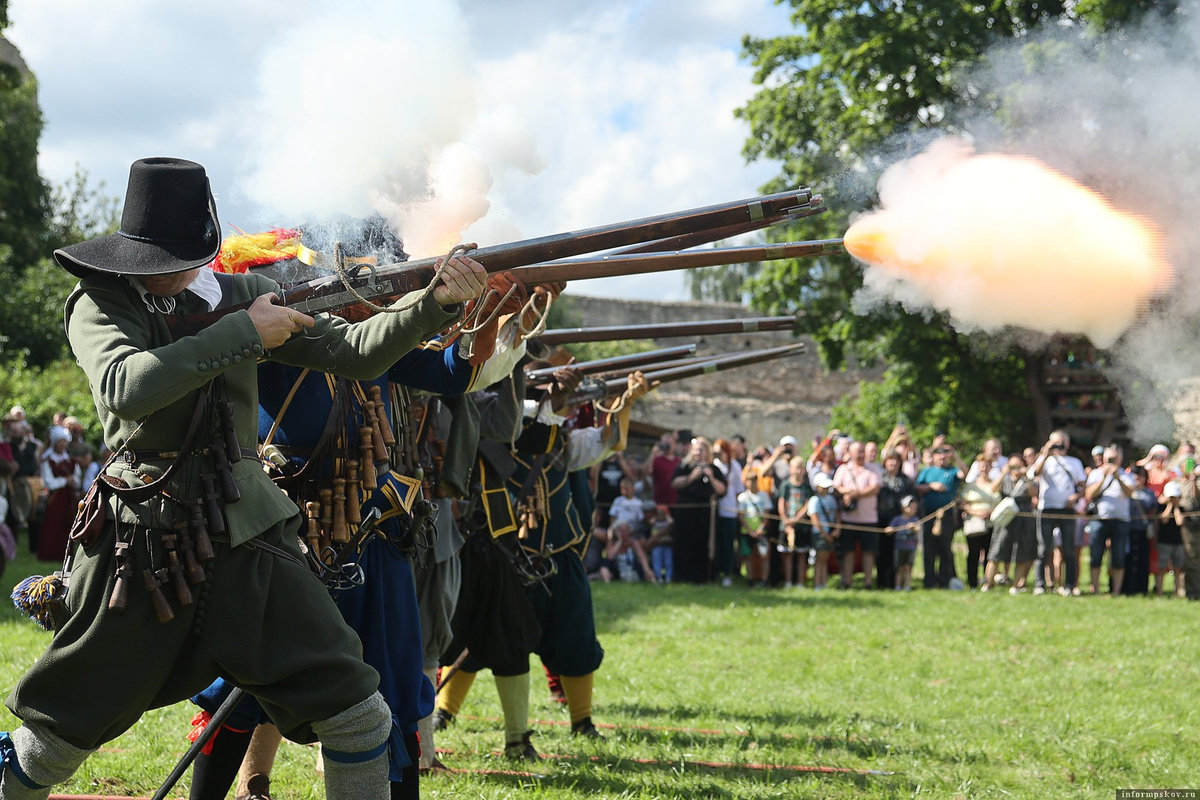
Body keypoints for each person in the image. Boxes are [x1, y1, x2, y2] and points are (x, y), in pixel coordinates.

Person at [0, 157, 486, 800]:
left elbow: (356, 351)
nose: (171, 272)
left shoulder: (231, 296)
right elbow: (125, 388)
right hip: (145, 547)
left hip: (248, 532)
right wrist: (243, 332)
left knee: (357, 711)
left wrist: (432, 306)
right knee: (59, 737)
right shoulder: (101, 302)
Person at [1027, 430, 1087, 596]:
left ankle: (1069, 586)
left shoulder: (1074, 462)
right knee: (1044, 548)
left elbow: (1083, 486)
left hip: (1067, 510)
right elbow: (1033, 474)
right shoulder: (1044, 460)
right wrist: (1045, 453)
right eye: (1055, 442)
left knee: (1069, 549)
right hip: (1046, 509)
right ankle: (1040, 584)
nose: (1058, 446)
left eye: (1061, 443)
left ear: (1067, 444)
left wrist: (1075, 497)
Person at [670, 437, 726, 583]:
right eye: (695, 450)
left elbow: (722, 490)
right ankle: (682, 576)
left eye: (701, 450)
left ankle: (703, 576)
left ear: (707, 452)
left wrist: (711, 477)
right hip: (686, 512)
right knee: (684, 542)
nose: (697, 453)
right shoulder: (684, 466)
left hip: (706, 512)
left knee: (704, 544)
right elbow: (675, 484)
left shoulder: (714, 469)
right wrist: (691, 477)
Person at [1085, 444, 1135, 595]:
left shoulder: (1126, 475)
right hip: (1099, 519)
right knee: (1096, 555)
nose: (1112, 461)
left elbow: (1129, 493)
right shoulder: (1095, 473)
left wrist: (1117, 477)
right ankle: (1096, 589)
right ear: (1104, 458)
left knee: (1119, 556)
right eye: (1109, 458)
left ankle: (1116, 591)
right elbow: (1089, 494)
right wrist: (1105, 477)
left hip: (1121, 520)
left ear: (1120, 458)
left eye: (1115, 457)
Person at [916, 444, 966, 589]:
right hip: (929, 515)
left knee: (945, 549)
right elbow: (917, 487)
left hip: (947, 516)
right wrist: (932, 486)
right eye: (939, 454)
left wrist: (956, 456)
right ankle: (929, 581)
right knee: (929, 550)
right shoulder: (927, 471)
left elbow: (966, 474)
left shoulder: (953, 471)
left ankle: (944, 580)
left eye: (945, 454)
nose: (942, 457)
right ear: (934, 456)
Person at [985, 455, 1037, 593]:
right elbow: (993, 488)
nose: (1016, 469)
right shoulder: (1005, 479)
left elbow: (1033, 494)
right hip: (1005, 520)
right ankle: (988, 584)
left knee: (1021, 555)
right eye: (1013, 466)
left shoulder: (1027, 480)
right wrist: (1003, 472)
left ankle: (1016, 585)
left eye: (1018, 465)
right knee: (996, 553)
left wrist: (1026, 476)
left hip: (1023, 521)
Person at [833, 441, 882, 589]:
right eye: (858, 452)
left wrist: (855, 495)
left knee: (868, 552)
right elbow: (836, 487)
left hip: (868, 518)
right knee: (848, 551)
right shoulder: (843, 469)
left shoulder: (874, 469)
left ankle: (868, 583)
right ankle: (847, 582)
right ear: (851, 454)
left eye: (862, 451)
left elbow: (875, 488)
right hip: (848, 519)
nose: (861, 454)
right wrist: (847, 492)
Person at [35, 429, 80, 563]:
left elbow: (77, 479)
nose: (62, 444)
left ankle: (66, 555)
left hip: (69, 499)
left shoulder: (71, 461)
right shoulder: (48, 461)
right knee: (53, 524)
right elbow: (48, 482)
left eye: (64, 441)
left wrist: (73, 481)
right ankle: (50, 553)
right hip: (56, 499)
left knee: (68, 525)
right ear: (54, 443)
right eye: (60, 441)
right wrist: (66, 481)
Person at [875, 449, 914, 592]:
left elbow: (911, 500)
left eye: (895, 460)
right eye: (890, 460)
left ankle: (895, 582)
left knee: (897, 552)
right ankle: (881, 582)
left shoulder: (905, 480)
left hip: (899, 520)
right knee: (881, 551)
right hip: (880, 519)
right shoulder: (879, 477)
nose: (892, 463)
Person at [712, 438, 744, 587]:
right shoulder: (714, 466)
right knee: (716, 542)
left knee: (728, 544)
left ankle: (728, 573)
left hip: (729, 510)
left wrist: (738, 510)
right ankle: (716, 571)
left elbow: (739, 490)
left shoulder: (735, 466)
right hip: (715, 511)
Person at [806, 473, 839, 589]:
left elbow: (836, 515)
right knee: (819, 559)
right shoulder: (814, 500)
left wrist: (836, 529)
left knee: (825, 559)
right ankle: (817, 584)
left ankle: (823, 583)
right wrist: (825, 535)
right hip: (819, 534)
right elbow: (815, 520)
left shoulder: (831, 499)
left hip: (829, 532)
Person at [1155, 481, 1186, 597]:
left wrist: (1176, 507)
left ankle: (1177, 592)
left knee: (1178, 568)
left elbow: (1180, 522)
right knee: (1162, 568)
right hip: (1164, 542)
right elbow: (1164, 519)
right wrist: (1169, 505)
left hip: (1178, 542)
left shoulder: (1181, 508)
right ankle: (1160, 592)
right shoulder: (1161, 507)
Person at [884, 495, 921, 591]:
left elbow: (918, 529)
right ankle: (898, 586)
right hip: (899, 547)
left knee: (908, 567)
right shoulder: (897, 519)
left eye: (915, 508)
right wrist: (889, 529)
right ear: (903, 508)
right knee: (899, 568)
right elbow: (890, 529)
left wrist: (913, 527)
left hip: (911, 548)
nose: (913, 509)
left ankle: (907, 586)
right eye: (910, 507)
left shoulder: (915, 520)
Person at [647, 504, 675, 583]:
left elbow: (671, 522)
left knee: (668, 562)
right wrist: (656, 516)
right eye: (659, 513)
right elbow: (650, 522)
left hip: (667, 545)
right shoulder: (655, 521)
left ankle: (668, 577)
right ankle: (658, 576)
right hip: (657, 545)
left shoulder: (668, 522)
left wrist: (667, 515)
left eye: (663, 513)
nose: (660, 515)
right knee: (657, 561)